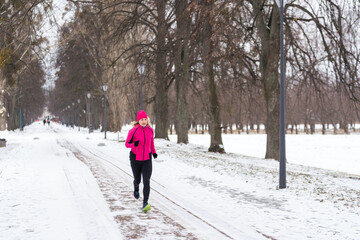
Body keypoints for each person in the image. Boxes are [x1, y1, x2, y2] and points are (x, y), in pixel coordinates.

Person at [125, 110, 157, 212]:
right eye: (141, 120)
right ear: (138, 120)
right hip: (135, 158)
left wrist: (154, 152)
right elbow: (127, 144)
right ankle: (136, 187)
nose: (144, 121)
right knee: (138, 179)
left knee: (146, 181)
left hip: (147, 159)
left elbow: (151, 143)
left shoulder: (150, 130)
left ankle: (145, 203)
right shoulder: (133, 131)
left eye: (145, 119)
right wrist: (134, 144)